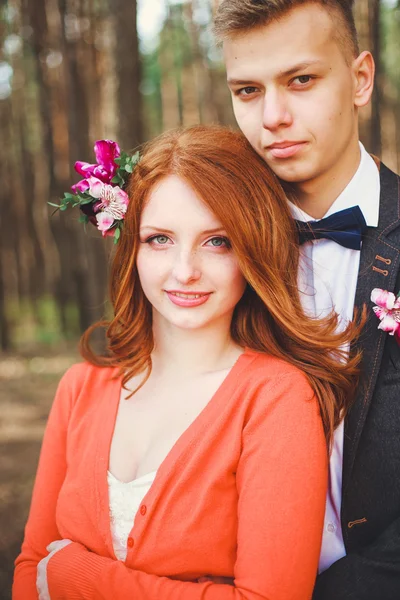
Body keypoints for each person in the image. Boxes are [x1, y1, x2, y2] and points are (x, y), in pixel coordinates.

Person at [13, 126, 361, 599]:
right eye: (159, 239)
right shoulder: (80, 389)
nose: (184, 271)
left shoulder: (276, 397)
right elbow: (29, 570)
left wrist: (79, 576)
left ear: (252, 249)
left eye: (217, 241)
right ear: (130, 247)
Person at [214, 1, 400, 599]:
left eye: (301, 80)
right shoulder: (212, 253)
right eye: (247, 90)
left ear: (360, 79)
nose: (273, 117)